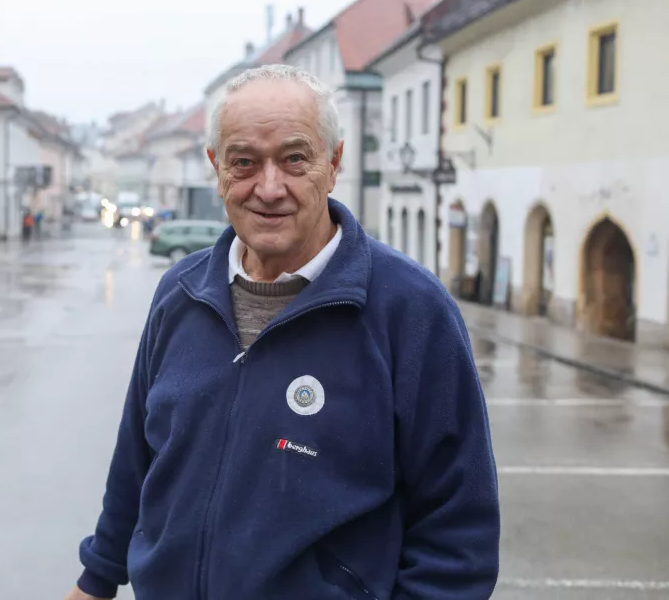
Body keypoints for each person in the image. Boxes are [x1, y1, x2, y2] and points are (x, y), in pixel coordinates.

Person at [67, 64, 500, 600]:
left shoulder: (410, 310)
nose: (268, 188)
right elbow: (137, 458)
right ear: (216, 167)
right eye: (243, 162)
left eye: (294, 159)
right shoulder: (180, 293)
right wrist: (98, 576)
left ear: (334, 161)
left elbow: (459, 533)